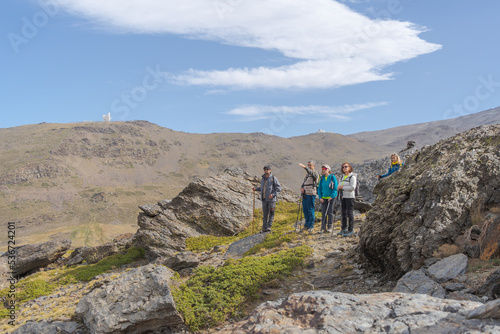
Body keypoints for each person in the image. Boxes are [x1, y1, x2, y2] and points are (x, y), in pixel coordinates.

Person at [253, 165, 281, 233]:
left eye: (267, 169)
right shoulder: (263, 178)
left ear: (270, 170)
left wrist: (273, 194)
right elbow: (262, 188)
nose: (265, 170)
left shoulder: (273, 178)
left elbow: (279, 188)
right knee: (265, 215)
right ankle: (264, 228)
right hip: (264, 199)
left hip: (271, 200)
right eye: (264, 169)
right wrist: (256, 189)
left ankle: (269, 227)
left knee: (271, 213)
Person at [299, 161, 319, 232]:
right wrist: (302, 187)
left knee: (310, 209)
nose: (309, 166)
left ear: (314, 166)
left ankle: (311, 225)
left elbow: (313, 174)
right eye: (308, 165)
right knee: (305, 209)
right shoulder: (307, 175)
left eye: (310, 165)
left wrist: (305, 167)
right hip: (305, 193)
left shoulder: (315, 174)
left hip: (311, 193)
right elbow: (304, 183)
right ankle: (307, 224)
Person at [317, 164, 338, 234]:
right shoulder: (322, 178)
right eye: (323, 168)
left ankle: (329, 227)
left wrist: (331, 196)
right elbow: (319, 188)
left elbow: (335, 188)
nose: (324, 170)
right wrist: (320, 197)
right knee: (323, 213)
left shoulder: (332, 177)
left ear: (329, 169)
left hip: (331, 198)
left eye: (325, 168)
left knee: (330, 213)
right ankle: (323, 228)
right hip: (323, 198)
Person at [337, 163, 356, 237]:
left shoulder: (352, 177)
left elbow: (352, 187)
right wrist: (339, 187)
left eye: (346, 166)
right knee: (343, 213)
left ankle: (350, 229)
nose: (344, 168)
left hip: (350, 197)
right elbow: (339, 185)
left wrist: (343, 188)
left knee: (349, 213)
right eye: (343, 167)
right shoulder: (341, 177)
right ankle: (343, 228)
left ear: (349, 168)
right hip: (343, 196)